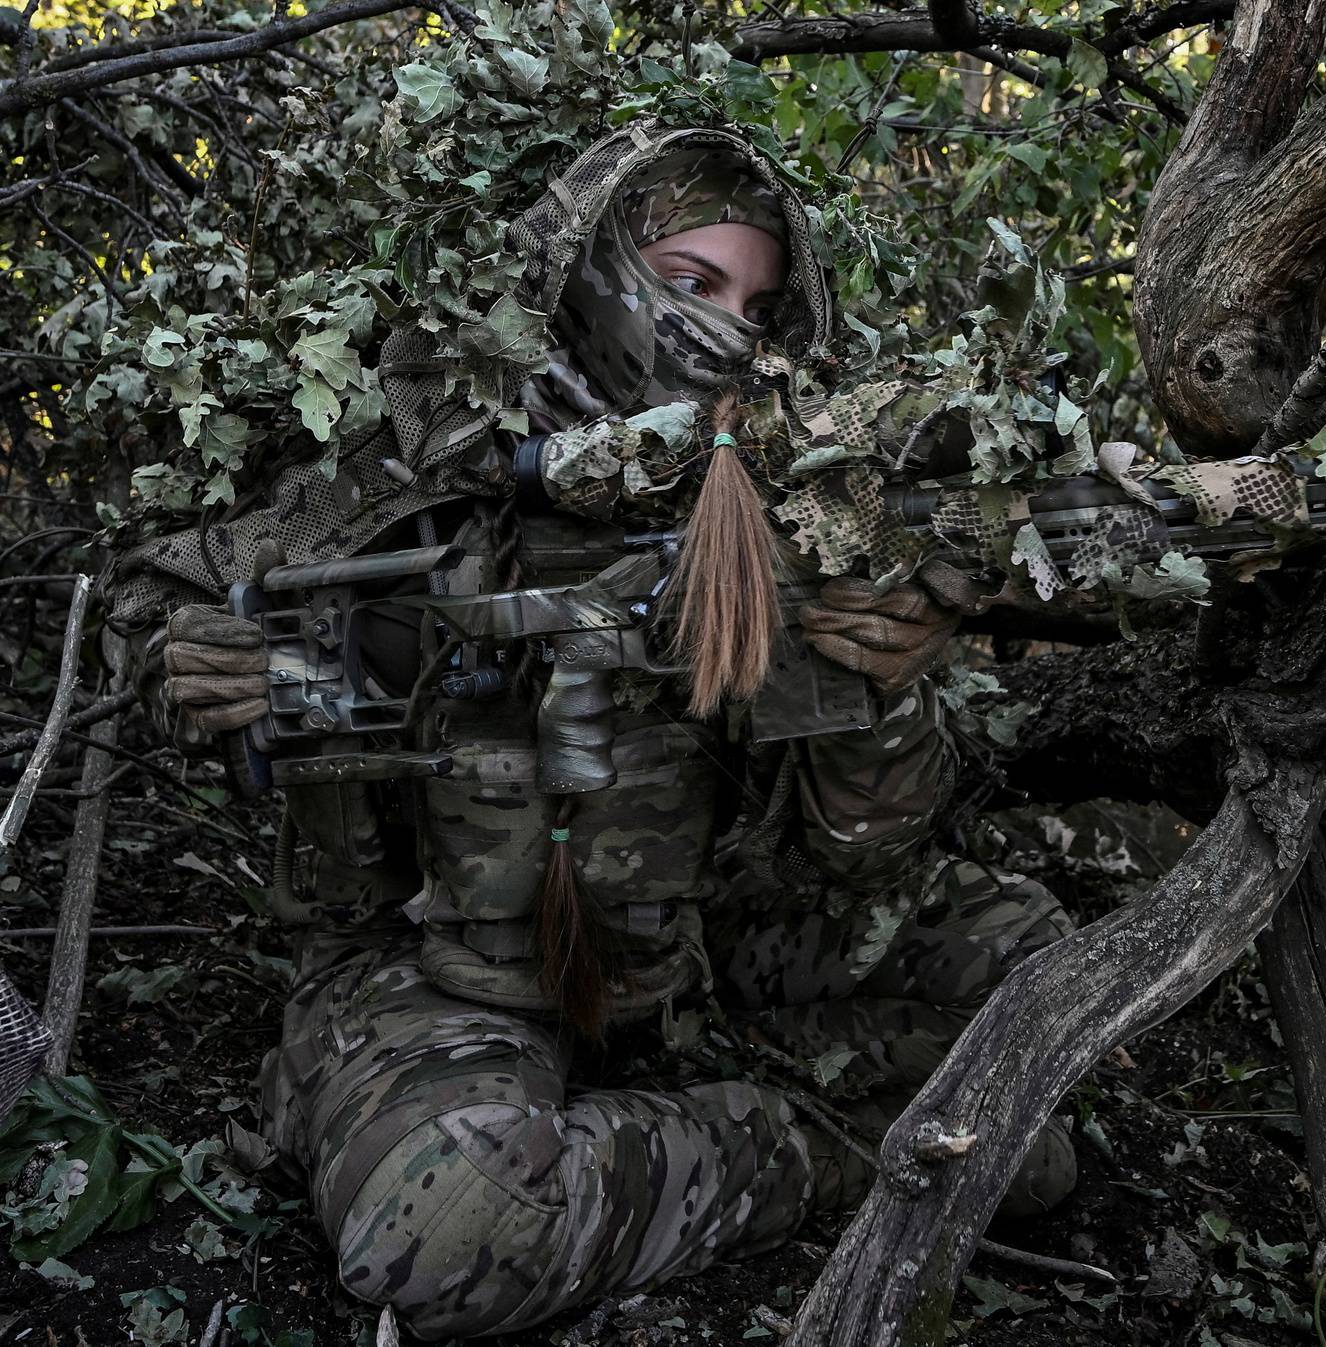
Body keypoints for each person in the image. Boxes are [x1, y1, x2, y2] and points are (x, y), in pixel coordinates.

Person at [109, 120, 1076, 1339]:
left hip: (711, 946)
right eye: (689, 284)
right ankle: (845, 1147)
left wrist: (885, 679)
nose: (731, 330)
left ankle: (724, 1120)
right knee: (450, 1221)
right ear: (594, 273)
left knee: (1034, 961)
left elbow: (866, 859)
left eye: (759, 306)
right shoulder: (418, 469)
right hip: (442, 969)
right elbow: (158, 599)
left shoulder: (806, 500)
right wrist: (198, 669)